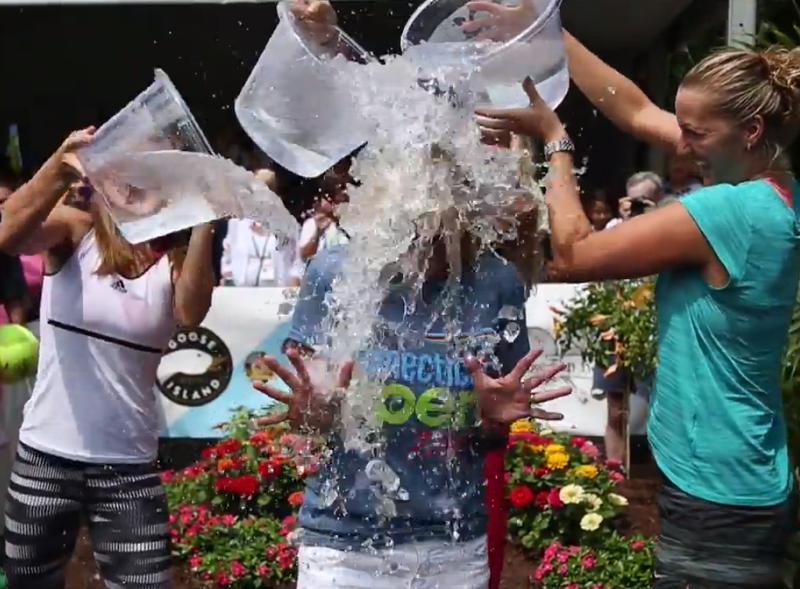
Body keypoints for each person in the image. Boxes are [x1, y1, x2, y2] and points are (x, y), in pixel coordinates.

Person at [474, 36, 800, 587]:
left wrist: (555, 139)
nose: (681, 145)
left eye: (695, 134)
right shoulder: (775, 184)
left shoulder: (731, 210)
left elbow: (572, 253)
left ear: (750, 131)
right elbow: (635, 109)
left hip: (716, 493)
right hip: (744, 471)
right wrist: (545, 26)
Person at [0, 127, 216, 588]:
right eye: (130, 168)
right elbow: (7, 235)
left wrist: (205, 218)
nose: (138, 182)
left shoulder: (172, 260)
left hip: (128, 470)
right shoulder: (76, 230)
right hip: (45, 460)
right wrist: (59, 165)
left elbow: (191, 314)